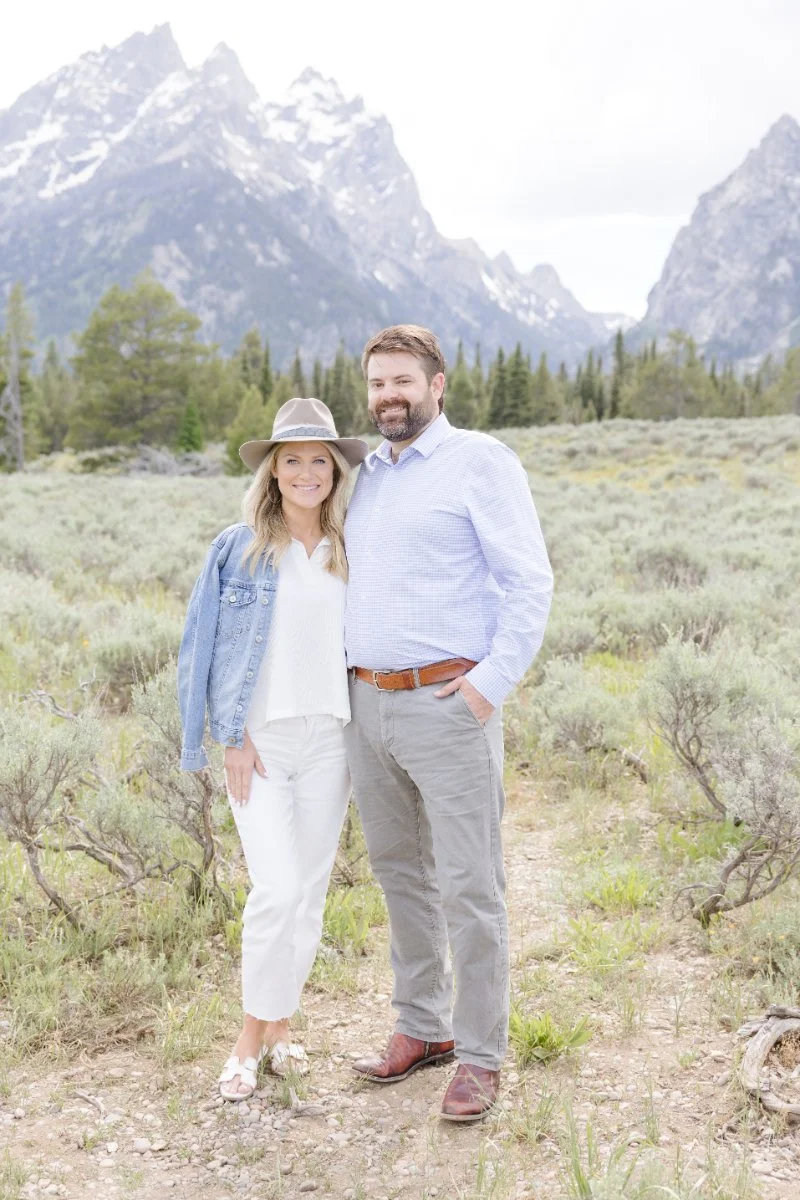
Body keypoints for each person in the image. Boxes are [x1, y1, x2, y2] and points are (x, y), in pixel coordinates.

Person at [344, 325, 553, 1122]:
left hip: (447, 706)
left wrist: (489, 686)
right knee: (401, 876)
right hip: (368, 704)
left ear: (438, 385)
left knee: (471, 885)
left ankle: (479, 1055)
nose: (388, 396)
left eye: (403, 381)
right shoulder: (367, 475)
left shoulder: (481, 462)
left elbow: (530, 582)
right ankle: (421, 1027)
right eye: (377, 384)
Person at [177, 397, 369, 1102]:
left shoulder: (351, 547)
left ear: (335, 471)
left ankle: (282, 1029)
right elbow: (200, 644)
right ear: (273, 471)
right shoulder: (239, 547)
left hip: (332, 741)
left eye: (320, 459)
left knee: (309, 898)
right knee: (276, 890)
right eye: (293, 459)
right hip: (260, 747)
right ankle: (248, 1039)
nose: (308, 471)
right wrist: (227, 735)